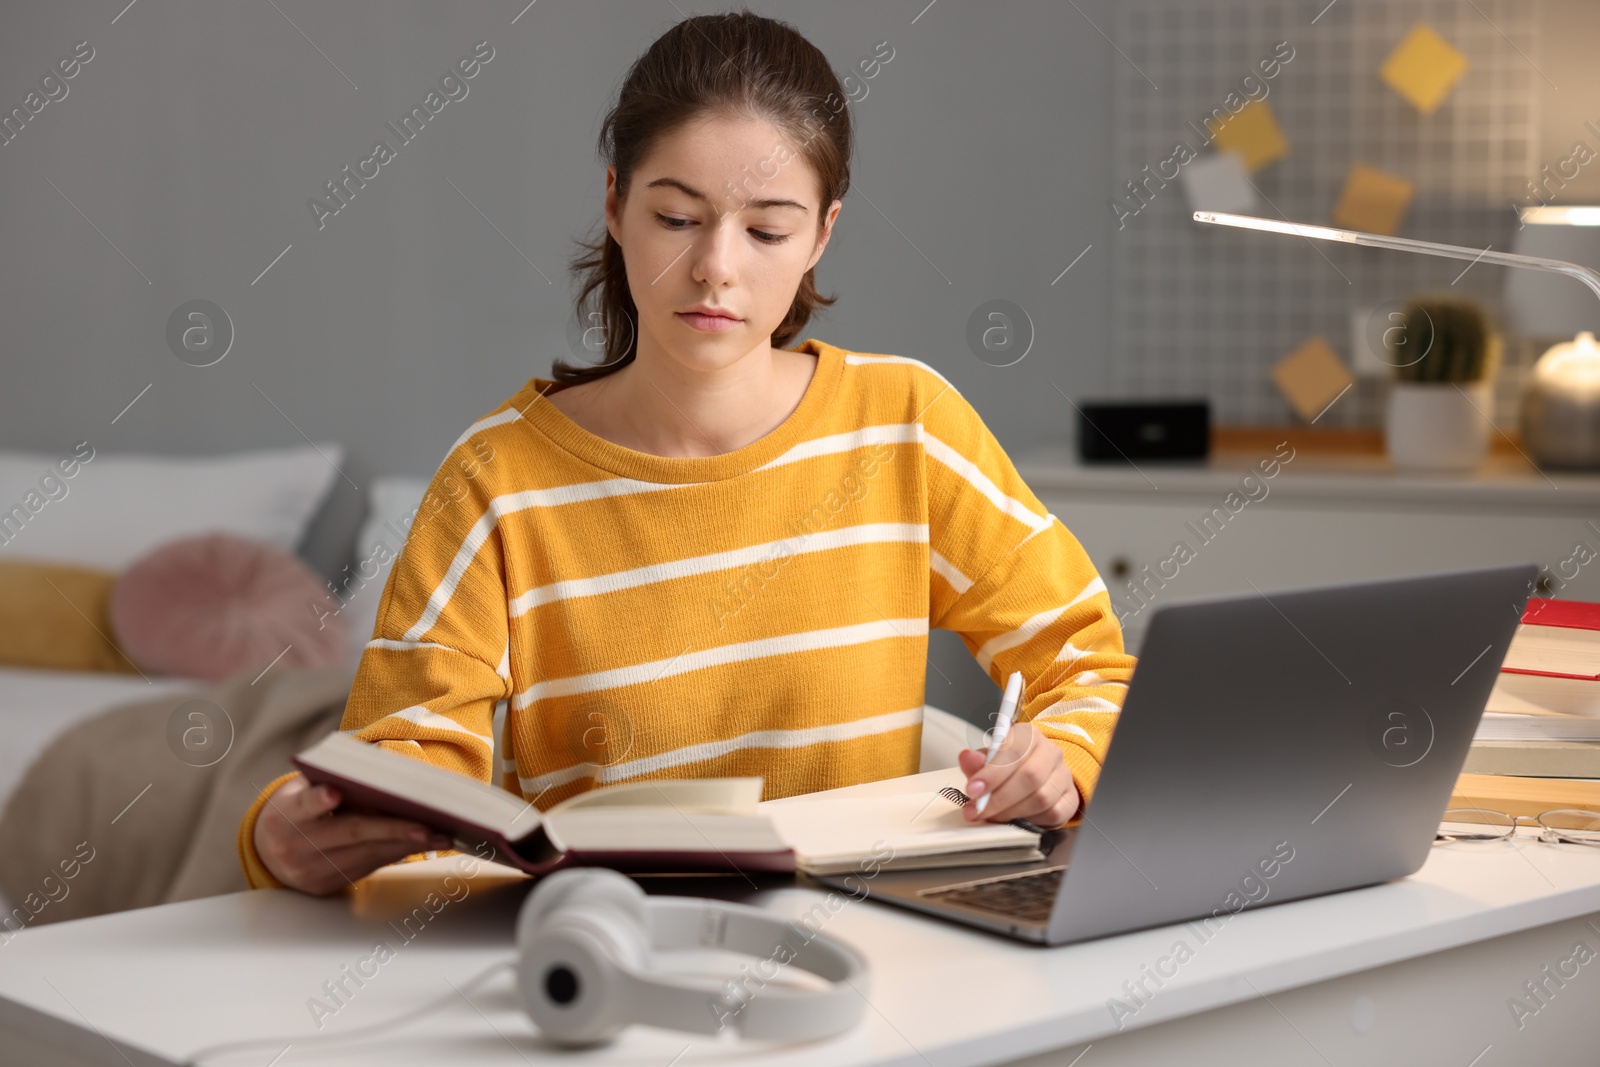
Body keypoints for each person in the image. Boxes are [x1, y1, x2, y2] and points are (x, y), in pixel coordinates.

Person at [240, 9, 1137, 896]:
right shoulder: (496, 481)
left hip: (873, 965)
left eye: (767, 231)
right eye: (677, 217)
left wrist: (1063, 759)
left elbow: (1090, 665)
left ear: (822, 234)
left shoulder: (907, 424)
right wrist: (286, 842)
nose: (716, 266)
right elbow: (405, 768)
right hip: (605, 960)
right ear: (615, 206)